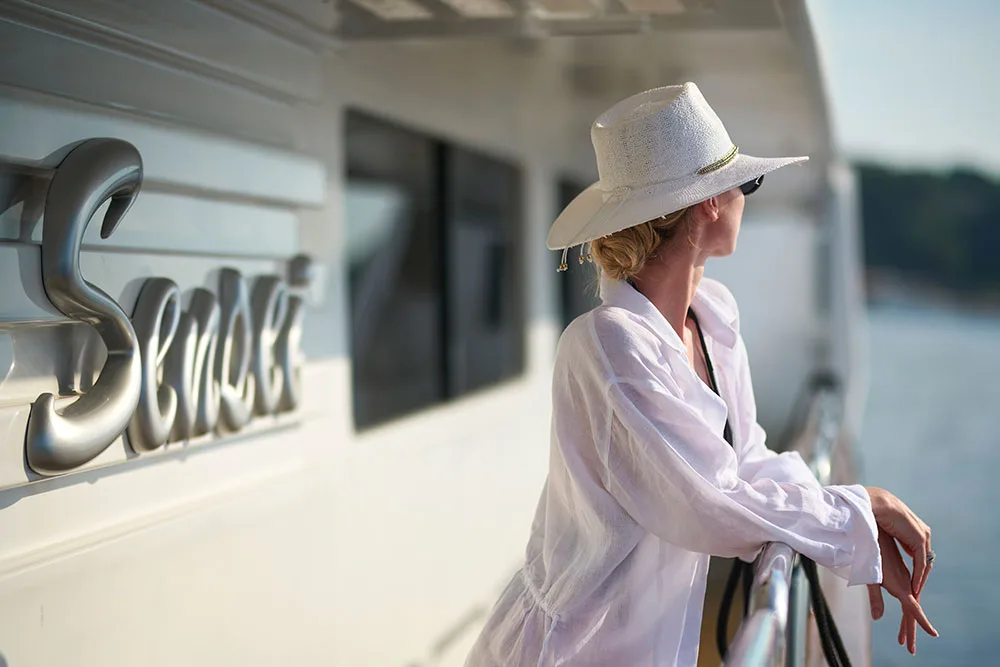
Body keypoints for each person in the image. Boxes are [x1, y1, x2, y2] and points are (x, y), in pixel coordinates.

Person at [464, 83, 936, 667]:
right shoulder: (607, 346)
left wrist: (852, 535)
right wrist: (857, 509)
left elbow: (746, 459)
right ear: (708, 202)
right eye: (746, 183)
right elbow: (706, 504)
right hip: (574, 647)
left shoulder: (711, 318)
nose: (746, 196)